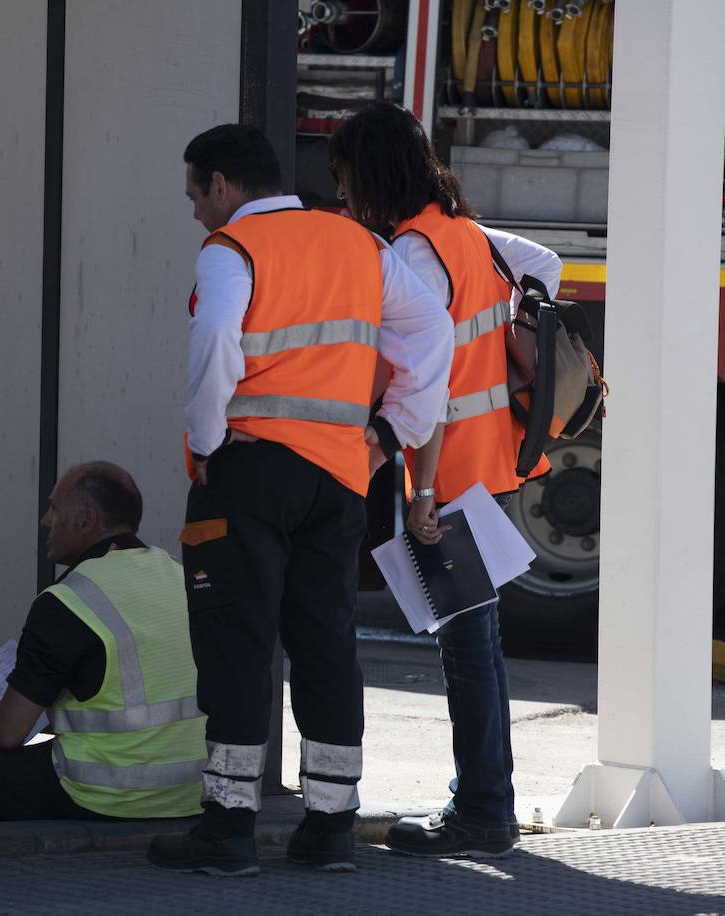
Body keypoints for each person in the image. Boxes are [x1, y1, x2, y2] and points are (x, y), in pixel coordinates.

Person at [147, 124, 453, 877]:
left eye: (195, 194)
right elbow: (433, 328)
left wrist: (209, 440)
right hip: (341, 477)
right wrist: (391, 432)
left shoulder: (234, 250)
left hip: (251, 473)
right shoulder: (359, 243)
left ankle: (228, 826)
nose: (195, 211)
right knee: (325, 642)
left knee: (236, 640)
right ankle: (329, 826)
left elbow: (216, 335)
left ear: (223, 184)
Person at [328, 101, 562, 858]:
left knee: (466, 644)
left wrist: (420, 494)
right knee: (479, 639)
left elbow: (423, 379)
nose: (342, 199)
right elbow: (549, 269)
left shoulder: (412, 252)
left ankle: (484, 811)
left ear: (373, 177)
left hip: (444, 474)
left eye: (346, 181)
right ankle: (486, 801)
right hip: (488, 459)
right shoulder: (467, 234)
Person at [0, 462, 207, 823]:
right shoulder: (179, 576)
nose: (45, 521)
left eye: (55, 508)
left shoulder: (68, 599)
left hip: (106, 796)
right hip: (192, 793)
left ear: (86, 520)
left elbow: (6, 734)